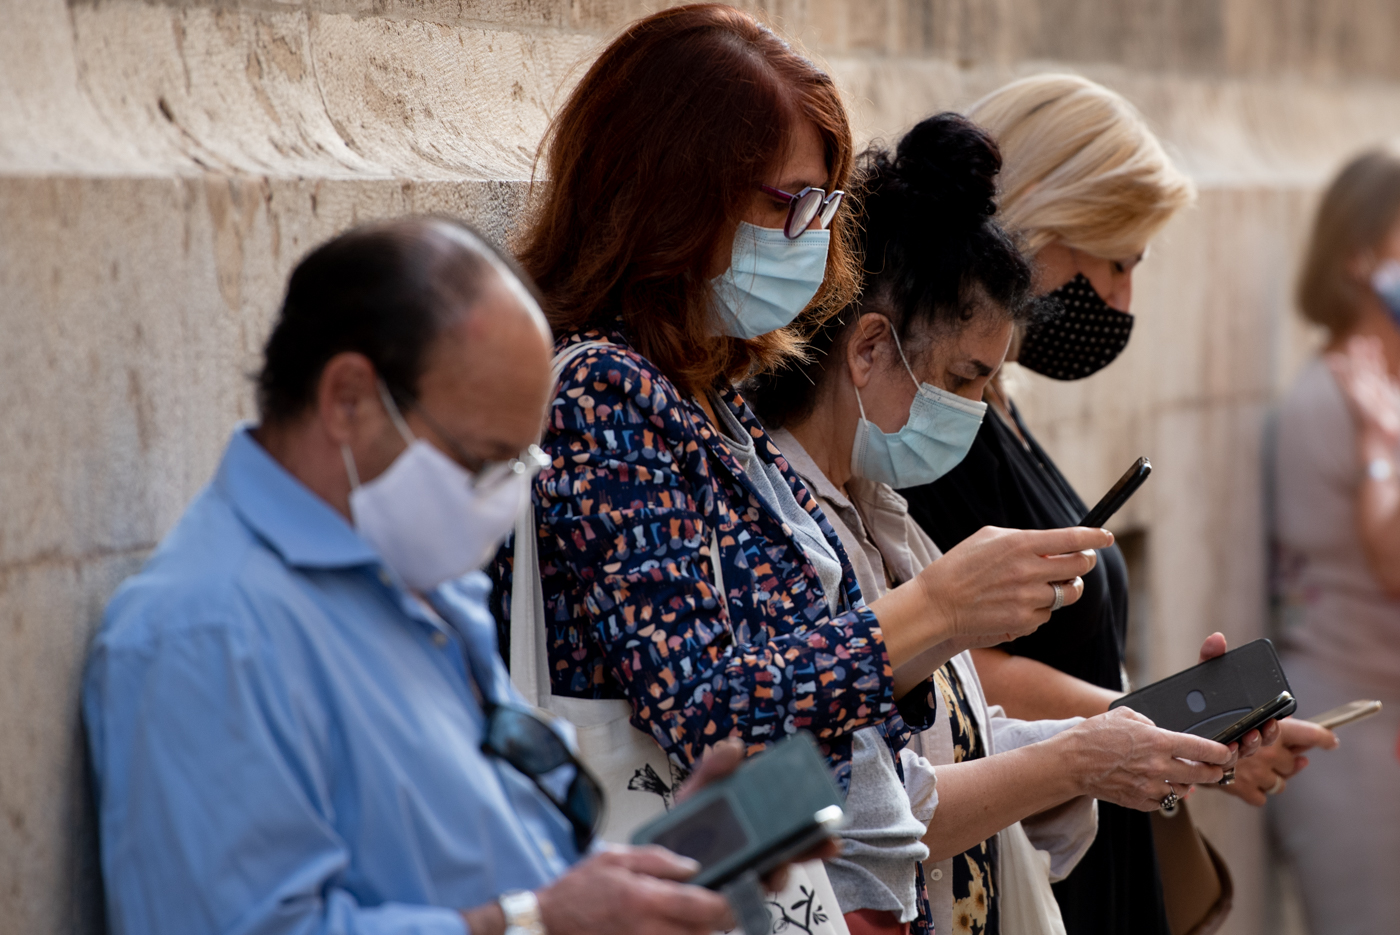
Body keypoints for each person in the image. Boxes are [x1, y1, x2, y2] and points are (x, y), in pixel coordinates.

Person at [495, 8, 1111, 935]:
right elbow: (707, 708)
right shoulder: (606, 396)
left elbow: (816, 692)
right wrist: (936, 609)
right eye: (789, 202)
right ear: (675, 191)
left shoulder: (710, 394)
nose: (813, 235)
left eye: (824, 206)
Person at [83, 217, 753, 935]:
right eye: (484, 461)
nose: (505, 496)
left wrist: (659, 869)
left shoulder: (418, 575)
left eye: (521, 462)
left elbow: (499, 857)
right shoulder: (207, 634)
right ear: (347, 399)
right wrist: (535, 922)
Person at [747, 112, 1243, 935]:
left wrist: (1129, 737)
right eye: (964, 378)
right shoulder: (779, 527)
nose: (974, 414)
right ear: (870, 349)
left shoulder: (887, 521)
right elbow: (863, 815)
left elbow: (959, 738)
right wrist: (1080, 754)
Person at [897, 75, 1323, 935]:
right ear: (1039, 229)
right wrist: (1165, 723)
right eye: (1115, 260)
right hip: (1020, 862)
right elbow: (950, 663)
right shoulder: (931, 424)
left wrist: (1186, 724)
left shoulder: (997, 404)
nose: (1124, 300)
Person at [1271, 146, 1400, 935]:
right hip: (1349, 728)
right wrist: (1383, 444)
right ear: (1360, 259)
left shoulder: (1378, 383)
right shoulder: (1336, 398)